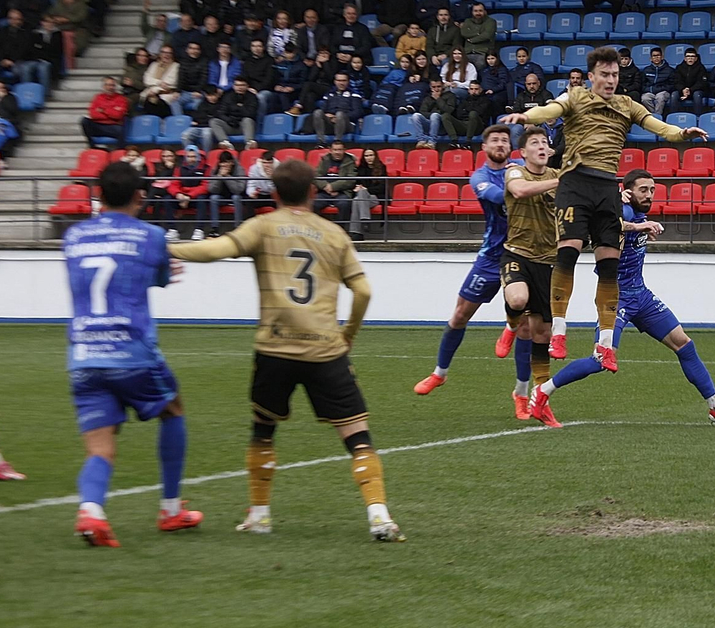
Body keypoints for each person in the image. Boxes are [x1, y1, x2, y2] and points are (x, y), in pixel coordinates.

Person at [168, 159, 401, 541]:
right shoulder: (333, 234)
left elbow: (216, 249)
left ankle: (260, 516)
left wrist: (168, 249)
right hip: (325, 349)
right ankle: (379, 515)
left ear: (274, 193)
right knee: (356, 434)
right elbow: (363, 291)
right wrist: (349, 334)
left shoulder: (263, 225)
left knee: (263, 429)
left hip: (274, 348)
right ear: (313, 192)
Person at [500, 47, 706, 365]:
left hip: (607, 186)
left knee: (609, 266)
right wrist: (527, 116)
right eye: (605, 75)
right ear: (591, 76)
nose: (610, 80)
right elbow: (551, 109)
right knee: (568, 253)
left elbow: (657, 125)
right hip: (575, 183)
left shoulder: (627, 105)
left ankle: (606, 344)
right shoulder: (576, 97)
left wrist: (682, 133)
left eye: (615, 75)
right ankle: (559, 331)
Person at [530, 171, 715, 428]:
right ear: (627, 191)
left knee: (684, 345)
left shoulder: (634, 212)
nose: (649, 195)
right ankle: (543, 391)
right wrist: (636, 223)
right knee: (600, 359)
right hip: (616, 298)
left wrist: (642, 225)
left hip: (641, 295)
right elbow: (608, 226)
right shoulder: (622, 210)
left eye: (652, 190)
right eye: (643, 190)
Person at [59, 161, 202, 548]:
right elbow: (161, 276)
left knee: (100, 448)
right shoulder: (151, 235)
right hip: (130, 350)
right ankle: (170, 509)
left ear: (99, 195)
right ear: (141, 196)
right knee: (173, 408)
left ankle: (91, 510)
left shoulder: (73, 236)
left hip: (84, 354)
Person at [412, 125, 533, 409]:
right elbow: (499, 197)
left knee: (526, 325)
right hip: (491, 257)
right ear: (485, 147)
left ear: (511, 146)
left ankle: (521, 393)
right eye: (495, 140)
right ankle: (439, 373)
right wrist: (522, 183)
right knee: (459, 315)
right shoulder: (480, 177)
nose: (501, 144)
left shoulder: (522, 168)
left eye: (505, 140)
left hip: (523, 254)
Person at [490, 129, 563, 426]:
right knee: (518, 299)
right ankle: (509, 325)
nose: (541, 146)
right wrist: (561, 181)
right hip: (517, 253)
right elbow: (519, 191)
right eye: (535, 143)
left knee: (541, 335)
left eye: (545, 142)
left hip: (548, 261)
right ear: (523, 152)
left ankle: (538, 399)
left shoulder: (558, 174)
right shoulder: (515, 172)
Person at [81, 76, 129, 148]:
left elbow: (118, 115)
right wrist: (111, 112)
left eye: (113, 85)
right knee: (84, 121)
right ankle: (92, 147)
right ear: (104, 86)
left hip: (113, 127)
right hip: (98, 126)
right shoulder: (98, 97)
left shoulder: (121, 99)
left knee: (120, 130)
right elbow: (93, 114)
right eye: (108, 85)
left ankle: (119, 151)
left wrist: (103, 110)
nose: (110, 87)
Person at [669, 48, 707, 115]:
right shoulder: (679, 67)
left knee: (697, 95)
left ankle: (698, 116)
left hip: (695, 90)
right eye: (688, 56)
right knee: (674, 95)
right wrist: (683, 89)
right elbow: (676, 81)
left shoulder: (701, 68)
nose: (690, 58)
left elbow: (701, 83)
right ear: (685, 58)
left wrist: (690, 90)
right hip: (682, 90)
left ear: (696, 58)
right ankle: (673, 116)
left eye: (692, 56)